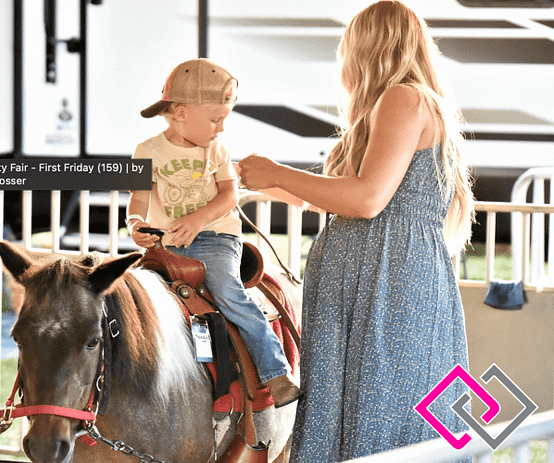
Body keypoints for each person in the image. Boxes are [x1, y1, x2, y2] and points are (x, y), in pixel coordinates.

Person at [238, 1, 475, 461]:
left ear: (367, 48)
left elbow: (367, 199)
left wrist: (278, 173)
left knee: (383, 400)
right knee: (385, 399)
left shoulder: (403, 98)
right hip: (377, 281)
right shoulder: (407, 102)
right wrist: (259, 181)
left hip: (385, 284)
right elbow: (342, 197)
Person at [126, 58, 302, 408]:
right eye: (214, 119)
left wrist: (197, 220)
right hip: (168, 243)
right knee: (137, 300)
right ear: (180, 113)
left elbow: (229, 195)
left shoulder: (217, 150)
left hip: (215, 237)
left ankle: (276, 373)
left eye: (223, 119)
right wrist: (134, 224)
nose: (221, 128)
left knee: (227, 291)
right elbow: (139, 197)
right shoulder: (147, 151)